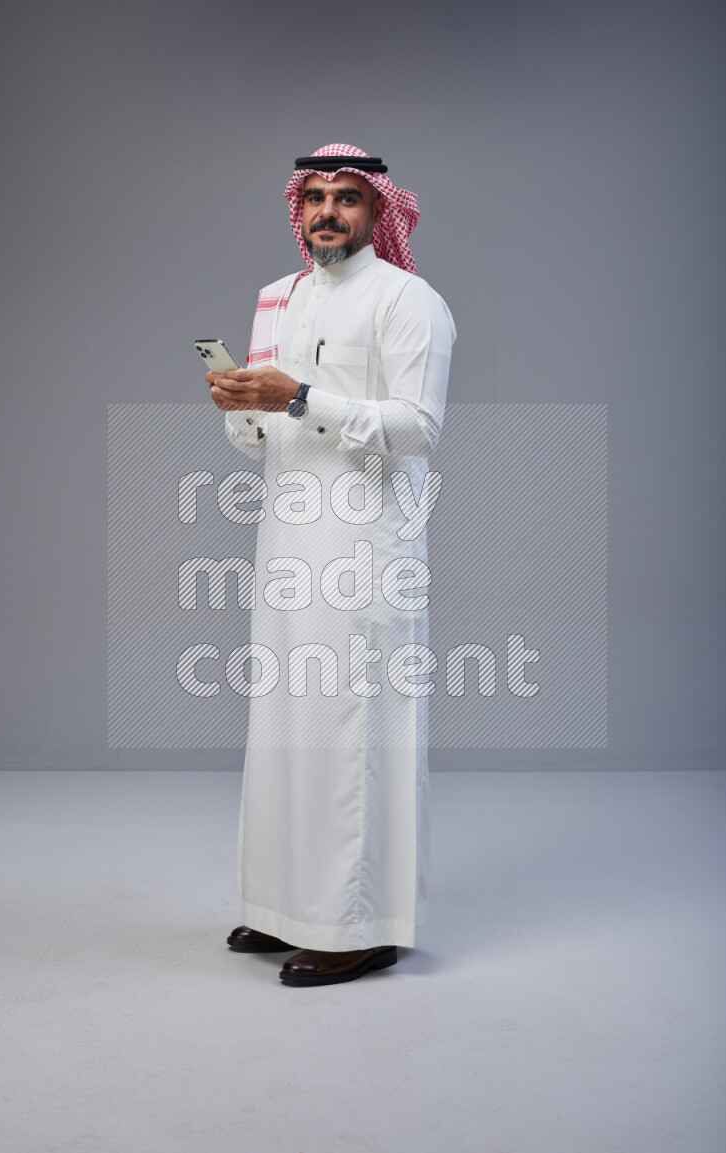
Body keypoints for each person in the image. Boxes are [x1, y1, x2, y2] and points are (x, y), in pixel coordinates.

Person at [206, 143, 456, 987]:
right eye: (314, 196)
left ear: (378, 211)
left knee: (352, 732)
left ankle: (358, 926)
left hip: (366, 549)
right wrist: (240, 405)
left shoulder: (407, 299)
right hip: (286, 543)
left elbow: (420, 426)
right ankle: (286, 909)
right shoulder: (278, 299)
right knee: (285, 728)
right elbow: (260, 436)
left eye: (347, 198)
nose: (327, 212)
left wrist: (298, 397)